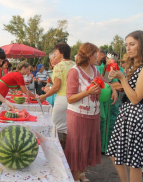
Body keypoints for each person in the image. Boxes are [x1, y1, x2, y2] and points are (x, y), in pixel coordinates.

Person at [65, 43, 117, 182]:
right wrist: (87, 92)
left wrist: (112, 88)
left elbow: (104, 81)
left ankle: (81, 173)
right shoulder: (74, 71)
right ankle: (75, 177)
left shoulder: (94, 69)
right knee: (77, 147)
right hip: (78, 116)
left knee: (87, 145)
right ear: (89, 55)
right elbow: (70, 98)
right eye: (96, 53)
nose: (99, 56)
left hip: (94, 114)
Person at [107, 30, 143, 182]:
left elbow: (135, 99)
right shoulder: (135, 66)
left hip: (136, 116)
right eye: (126, 44)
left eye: (132, 44)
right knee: (115, 153)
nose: (128, 48)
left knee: (134, 163)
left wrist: (122, 78)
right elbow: (129, 90)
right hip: (127, 114)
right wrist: (114, 83)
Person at [39, 43, 75, 149]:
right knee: (69, 127)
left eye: (56, 51)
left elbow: (56, 87)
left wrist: (44, 96)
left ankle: (53, 151)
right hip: (73, 100)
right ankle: (68, 150)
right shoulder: (74, 64)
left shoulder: (59, 66)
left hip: (62, 99)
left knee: (53, 127)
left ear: (62, 53)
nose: (54, 54)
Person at [97, 51, 123, 153]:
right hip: (103, 99)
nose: (111, 61)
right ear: (106, 59)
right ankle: (100, 146)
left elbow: (121, 84)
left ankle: (109, 146)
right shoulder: (99, 69)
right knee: (101, 121)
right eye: (110, 59)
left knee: (112, 120)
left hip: (113, 99)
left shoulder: (119, 69)